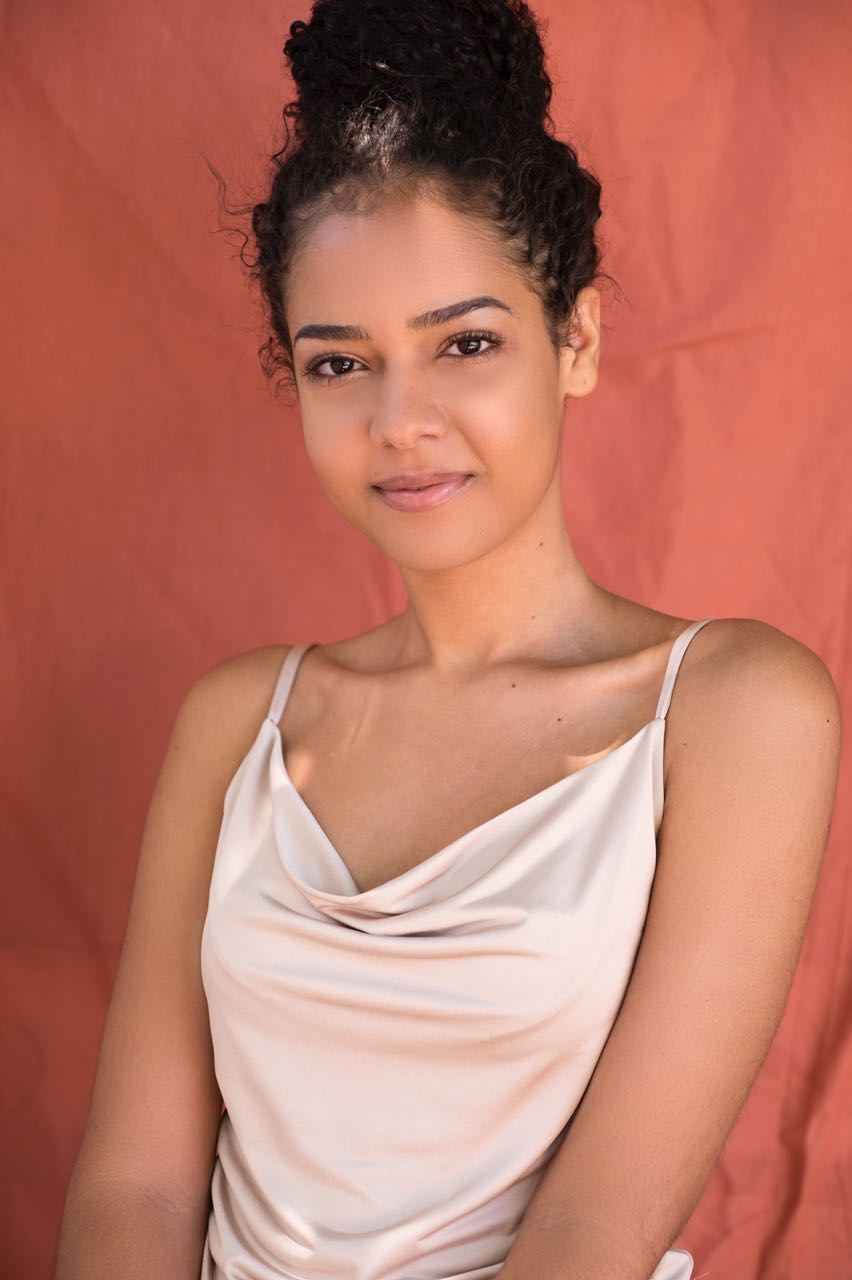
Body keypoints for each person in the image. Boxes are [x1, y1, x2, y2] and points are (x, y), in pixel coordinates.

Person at [53, 1, 842, 1278]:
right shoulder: (239, 721)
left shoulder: (735, 709)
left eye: (465, 343)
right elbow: (133, 1184)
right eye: (339, 363)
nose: (400, 420)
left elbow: (595, 1225)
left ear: (576, 338)